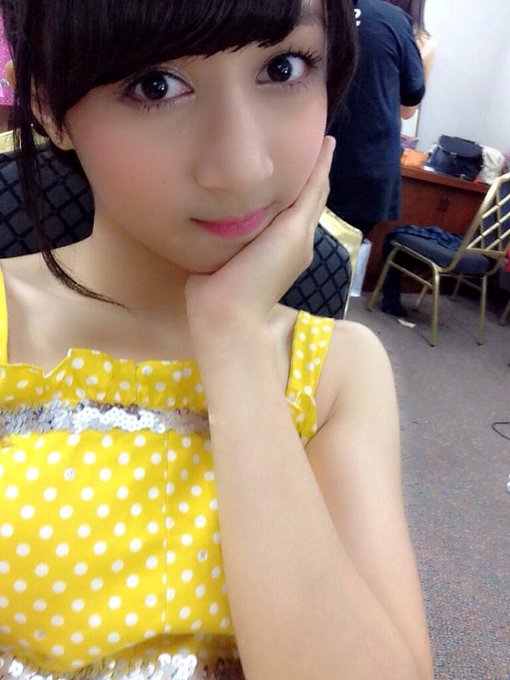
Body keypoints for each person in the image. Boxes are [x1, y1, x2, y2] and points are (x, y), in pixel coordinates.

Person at [0, 1, 433, 679]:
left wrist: (234, 341)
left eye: (283, 68)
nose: (242, 166)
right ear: (49, 106)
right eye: (155, 85)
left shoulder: (338, 373)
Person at [327, 0, 425, 238]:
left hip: (310, 154)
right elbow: (412, 94)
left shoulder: (324, 9)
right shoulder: (392, 18)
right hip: (366, 166)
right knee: (344, 248)